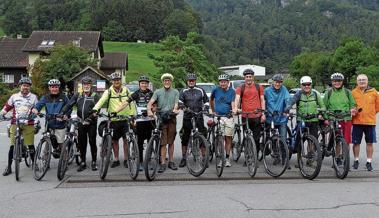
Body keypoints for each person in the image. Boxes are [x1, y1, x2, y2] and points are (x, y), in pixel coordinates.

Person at [92, 72, 135, 169]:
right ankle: (116, 159)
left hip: (125, 119)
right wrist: (95, 109)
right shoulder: (109, 91)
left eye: (118, 80)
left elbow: (131, 103)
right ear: (112, 81)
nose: (116, 81)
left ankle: (126, 159)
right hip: (113, 120)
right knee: (114, 141)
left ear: (121, 80)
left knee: (126, 141)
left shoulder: (126, 90)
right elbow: (101, 101)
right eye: (115, 80)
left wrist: (132, 114)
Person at [115, 75, 155, 171]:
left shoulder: (152, 93)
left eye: (145, 83)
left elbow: (156, 106)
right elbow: (126, 103)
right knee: (140, 143)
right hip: (140, 121)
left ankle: (148, 161)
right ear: (139, 84)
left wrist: (152, 110)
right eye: (142, 83)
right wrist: (116, 111)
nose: (144, 85)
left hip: (150, 121)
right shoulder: (136, 94)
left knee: (150, 142)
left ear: (148, 84)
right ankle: (140, 162)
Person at [61, 77, 100, 172]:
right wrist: (62, 112)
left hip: (91, 123)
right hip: (81, 122)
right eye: (84, 84)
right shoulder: (78, 95)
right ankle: (83, 162)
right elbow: (69, 104)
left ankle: (94, 162)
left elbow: (97, 109)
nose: (86, 86)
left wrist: (90, 118)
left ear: (91, 86)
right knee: (82, 143)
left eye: (88, 84)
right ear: (82, 86)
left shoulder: (95, 95)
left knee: (92, 141)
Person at [1, 78, 39, 176]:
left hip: (28, 123)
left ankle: (35, 164)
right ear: (20, 86)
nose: (25, 87)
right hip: (15, 122)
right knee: (12, 146)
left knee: (30, 144)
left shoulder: (34, 97)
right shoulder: (14, 96)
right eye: (24, 85)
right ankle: (9, 167)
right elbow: (7, 107)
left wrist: (35, 112)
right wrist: (2, 113)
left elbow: (36, 108)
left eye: (27, 85)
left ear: (29, 87)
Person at [289, 76, 325, 168]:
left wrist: (320, 113)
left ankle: (310, 159)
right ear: (301, 85)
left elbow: (323, 107)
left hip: (313, 121)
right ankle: (299, 159)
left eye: (308, 84)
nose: (306, 86)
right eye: (304, 85)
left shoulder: (316, 94)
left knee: (312, 142)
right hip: (302, 120)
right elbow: (291, 103)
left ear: (311, 85)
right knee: (299, 140)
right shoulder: (298, 94)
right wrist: (286, 110)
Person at [147, 73, 179, 173]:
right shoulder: (157, 92)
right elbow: (150, 103)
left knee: (171, 141)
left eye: (169, 80)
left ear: (171, 82)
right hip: (161, 118)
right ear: (162, 82)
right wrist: (149, 110)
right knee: (163, 142)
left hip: (172, 117)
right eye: (165, 80)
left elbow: (176, 104)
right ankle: (163, 163)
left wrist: (175, 110)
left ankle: (171, 161)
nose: (167, 82)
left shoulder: (175, 92)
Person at [32, 79, 71, 158]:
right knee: (47, 140)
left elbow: (69, 108)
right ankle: (45, 160)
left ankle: (64, 159)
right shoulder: (46, 97)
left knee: (61, 143)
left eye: (56, 87)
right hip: (49, 123)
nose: (54, 89)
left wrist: (65, 115)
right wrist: (35, 109)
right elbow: (39, 105)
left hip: (60, 124)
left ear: (59, 87)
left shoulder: (64, 97)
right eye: (52, 87)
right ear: (49, 88)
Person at [178, 73, 209, 168]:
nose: (191, 82)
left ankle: (204, 157)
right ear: (187, 81)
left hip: (198, 116)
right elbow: (180, 102)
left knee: (202, 136)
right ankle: (184, 158)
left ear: (195, 81)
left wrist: (206, 107)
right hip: (188, 116)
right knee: (185, 137)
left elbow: (206, 100)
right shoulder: (183, 91)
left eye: (193, 80)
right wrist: (184, 108)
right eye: (189, 80)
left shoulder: (200, 90)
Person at [235, 69, 265, 158]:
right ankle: (247, 156)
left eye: (250, 76)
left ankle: (255, 156)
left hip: (257, 116)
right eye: (247, 77)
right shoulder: (241, 88)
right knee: (247, 137)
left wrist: (263, 113)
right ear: (244, 78)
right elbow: (237, 99)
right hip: (245, 116)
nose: (248, 78)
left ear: (253, 77)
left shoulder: (259, 87)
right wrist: (236, 108)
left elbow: (262, 100)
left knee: (256, 138)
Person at [351, 74, 379, 171]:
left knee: (370, 143)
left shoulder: (374, 92)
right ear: (357, 81)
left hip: (370, 122)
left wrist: (370, 114)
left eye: (364, 80)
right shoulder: (353, 92)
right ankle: (356, 160)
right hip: (356, 122)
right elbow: (351, 105)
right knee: (356, 143)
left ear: (367, 81)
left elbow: (377, 107)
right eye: (360, 80)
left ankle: (369, 162)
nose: (362, 81)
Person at [210, 74, 237, 167]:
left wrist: (234, 110)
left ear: (228, 82)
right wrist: (212, 110)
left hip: (228, 116)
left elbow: (233, 103)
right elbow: (211, 99)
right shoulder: (215, 90)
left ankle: (227, 158)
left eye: (224, 82)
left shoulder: (232, 91)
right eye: (221, 82)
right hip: (218, 117)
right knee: (220, 138)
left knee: (228, 138)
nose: (223, 83)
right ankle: (221, 158)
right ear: (219, 83)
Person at [323, 73, 356, 145]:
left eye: (339, 81)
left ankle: (346, 155)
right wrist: (325, 118)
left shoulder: (347, 92)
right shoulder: (328, 92)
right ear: (332, 82)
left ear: (342, 82)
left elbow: (352, 104)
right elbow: (324, 106)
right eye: (335, 81)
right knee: (336, 140)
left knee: (346, 140)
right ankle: (337, 155)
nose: (337, 83)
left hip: (345, 118)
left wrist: (353, 109)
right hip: (333, 118)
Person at [264, 74, 291, 142]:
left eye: (280, 82)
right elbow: (262, 102)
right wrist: (263, 112)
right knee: (269, 139)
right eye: (276, 82)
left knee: (283, 140)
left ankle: (284, 152)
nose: (278, 84)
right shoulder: (267, 91)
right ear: (273, 82)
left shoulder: (284, 89)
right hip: (270, 118)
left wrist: (287, 109)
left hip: (282, 118)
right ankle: (266, 151)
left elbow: (288, 99)